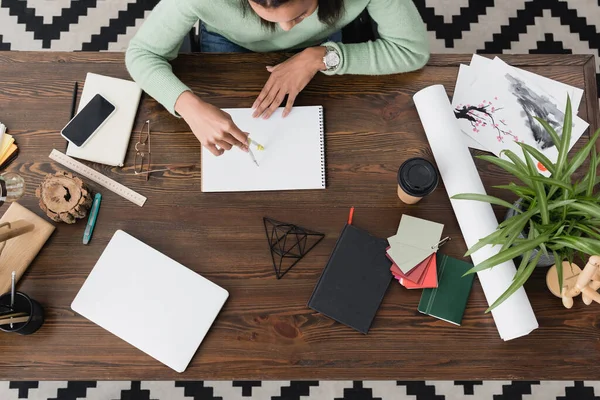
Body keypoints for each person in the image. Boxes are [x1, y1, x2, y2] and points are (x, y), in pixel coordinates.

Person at [125, 0, 429, 157]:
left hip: (325, 41)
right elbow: (141, 54)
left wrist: (319, 56)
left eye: (299, 14)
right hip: (230, 44)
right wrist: (188, 106)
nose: (286, 30)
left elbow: (412, 51)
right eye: (261, 12)